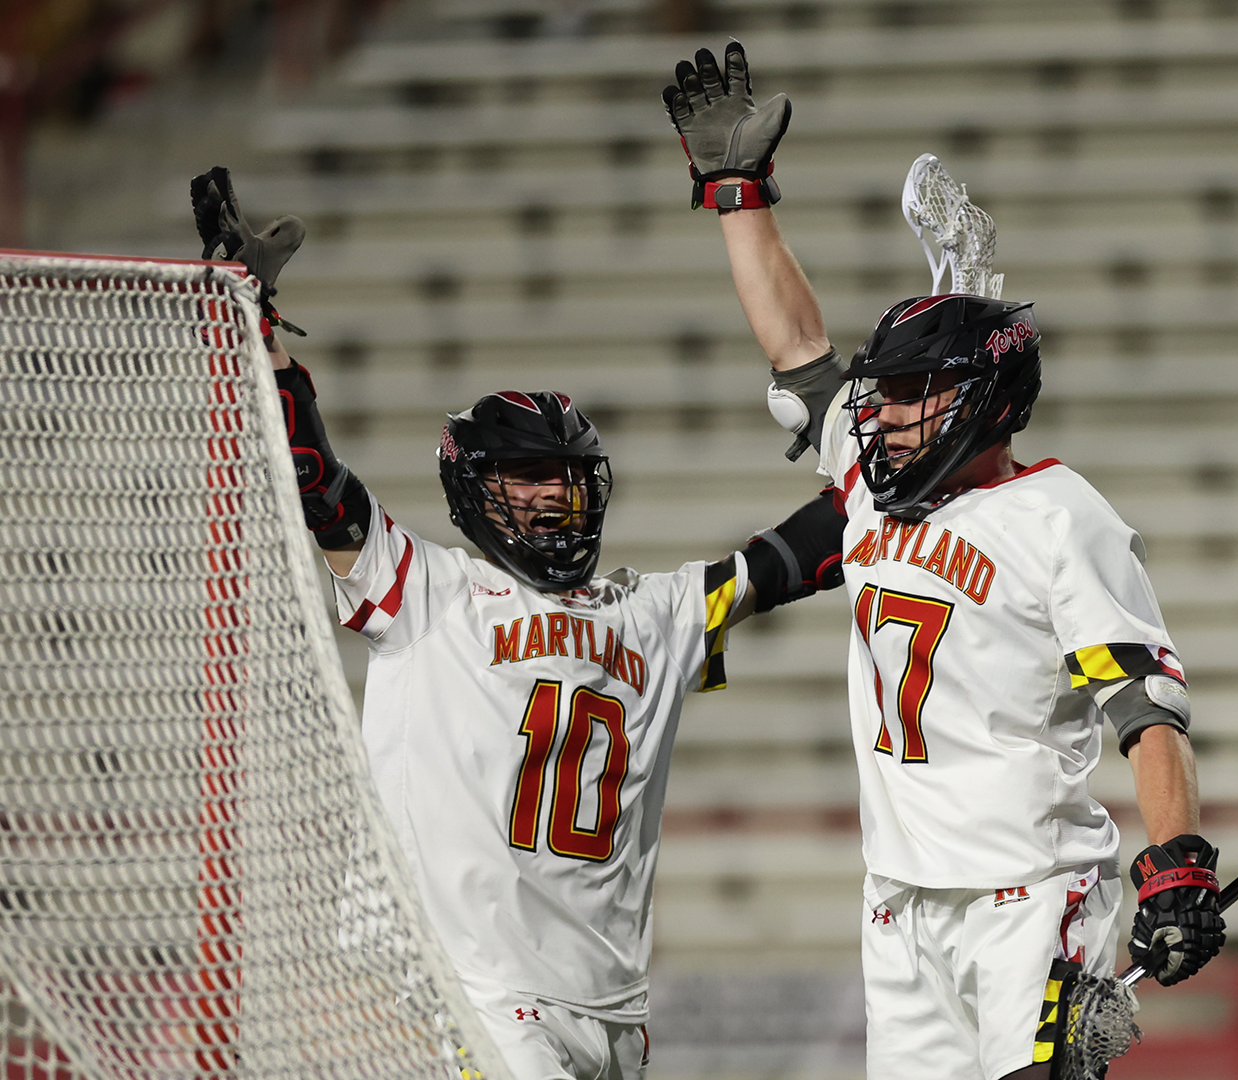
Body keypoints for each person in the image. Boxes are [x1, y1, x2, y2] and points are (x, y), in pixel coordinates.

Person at [189, 167, 846, 1080]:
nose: (551, 500)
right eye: (527, 479)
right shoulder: (430, 592)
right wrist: (257, 334)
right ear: (473, 490)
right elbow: (322, 491)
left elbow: (795, 555)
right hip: (470, 990)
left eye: (566, 478)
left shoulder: (651, 612)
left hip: (613, 1008)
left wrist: (905, 473)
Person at [661, 42, 1225, 1080]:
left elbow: (1144, 711)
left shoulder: (1059, 517)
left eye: (915, 392)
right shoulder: (874, 481)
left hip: (1031, 895)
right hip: (899, 903)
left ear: (985, 398)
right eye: (890, 393)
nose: (886, 413)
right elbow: (797, 351)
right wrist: (738, 196)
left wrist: (1177, 862)